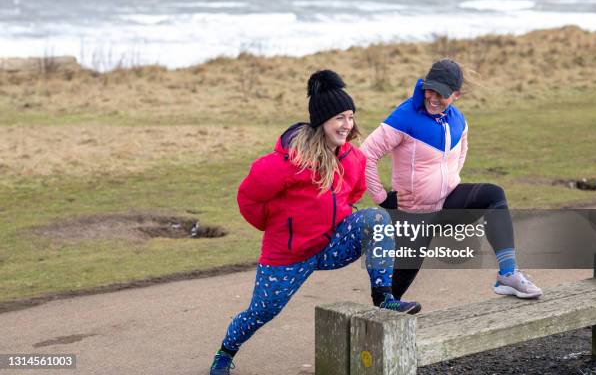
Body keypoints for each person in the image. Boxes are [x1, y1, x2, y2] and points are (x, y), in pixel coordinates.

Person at [209, 69, 420, 375]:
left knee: (377, 219)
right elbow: (248, 199)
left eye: (350, 117)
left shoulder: (353, 159)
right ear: (322, 121)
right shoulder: (287, 162)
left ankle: (384, 298)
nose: (347, 125)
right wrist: (278, 227)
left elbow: (354, 193)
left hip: (331, 246)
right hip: (288, 255)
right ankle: (225, 354)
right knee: (262, 312)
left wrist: (341, 218)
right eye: (340, 118)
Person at [360, 58, 542, 302]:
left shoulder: (458, 120)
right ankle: (378, 323)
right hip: (413, 214)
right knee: (392, 291)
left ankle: (507, 274)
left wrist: (447, 184)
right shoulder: (404, 117)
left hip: (447, 205)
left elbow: (462, 152)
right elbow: (366, 155)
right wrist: (382, 197)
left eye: (442, 94)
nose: (433, 98)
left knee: (493, 195)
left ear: (456, 94)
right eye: (430, 90)